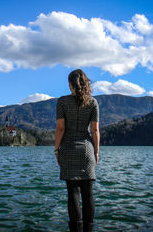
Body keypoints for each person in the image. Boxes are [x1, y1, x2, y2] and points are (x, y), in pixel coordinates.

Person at [54, 69, 100, 232]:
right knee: (88, 194)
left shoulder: (62, 102)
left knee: (73, 192)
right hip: (87, 150)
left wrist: (56, 149)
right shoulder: (93, 102)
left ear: (70, 84)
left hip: (68, 148)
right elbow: (95, 130)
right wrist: (96, 152)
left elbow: (60, 128)